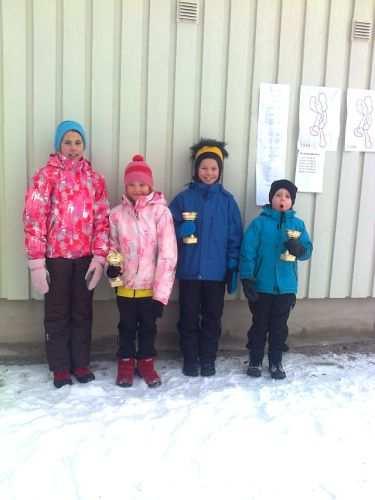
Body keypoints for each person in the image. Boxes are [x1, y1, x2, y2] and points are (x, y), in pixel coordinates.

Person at [23, 120, 110, 388]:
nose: (73, 148)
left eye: (78, 142)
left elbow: (102, 220)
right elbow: (34, 218)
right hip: (57, 258)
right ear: (58, 144)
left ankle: (81, 362)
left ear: (84, 146)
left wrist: (99, 257)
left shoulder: (95, 180)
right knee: (57, 313)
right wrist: (37, 262)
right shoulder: (45, 176)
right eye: (67, 142)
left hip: (84, 259)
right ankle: (60, 366)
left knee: (82, 313)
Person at [169, 139, 242, 377]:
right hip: (190, 271)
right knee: (188, 316)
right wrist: (181, 230)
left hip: (216, 272)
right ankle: (190, 357)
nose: (208, 173)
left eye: (213, 168)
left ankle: (208, 357)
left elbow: (234, 235)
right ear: (195, 170)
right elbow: (166, 229)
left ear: (220, 171)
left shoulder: (227, 201)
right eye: (204, 168)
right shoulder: (183, 199)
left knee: (212, 317)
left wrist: (232, 265)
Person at [107, 154, 177, 388]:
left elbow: (167, 255)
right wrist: (114, 273)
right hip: (126, 287)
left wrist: (160, 296)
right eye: (132, 184)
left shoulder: (160, 214)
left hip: (149, 288)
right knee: (125, 327)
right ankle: (125, 363)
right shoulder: (116, 214)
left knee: (148, 328)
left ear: (150, 185)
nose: (137, 189)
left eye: (142, 184)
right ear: (125, 186)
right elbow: (112, 246)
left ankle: (146, 362)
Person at [240, 179, 313, 379]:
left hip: (286, 287)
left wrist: (299, 249)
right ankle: (255, 359)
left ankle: (275, 361)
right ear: (271, 198)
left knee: (279, 327)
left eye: (287, 196)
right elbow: (248, 252)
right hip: (262, 286)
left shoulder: (298, 225)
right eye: (278, 195)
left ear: (292, 202)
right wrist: (247, 278)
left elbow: (307, 250)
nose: (282, 199)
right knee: (259, 325)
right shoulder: (259, 223)